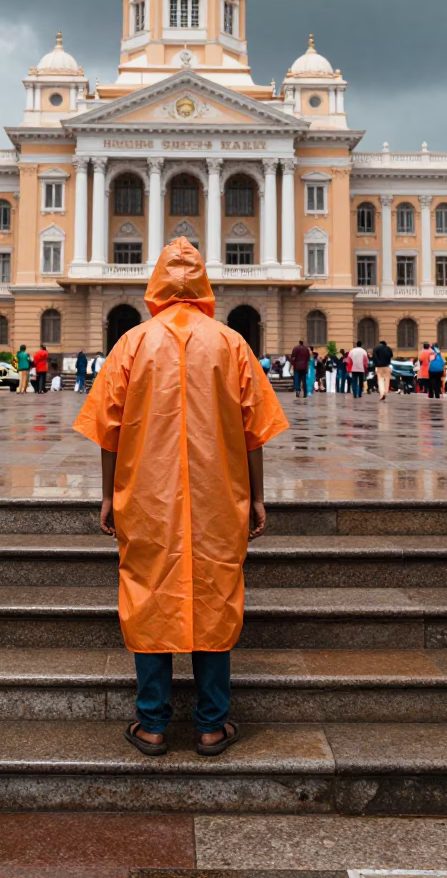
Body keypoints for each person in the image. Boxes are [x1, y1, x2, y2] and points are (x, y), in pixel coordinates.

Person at [74, 238, 288, 758]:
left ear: (157, 282)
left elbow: (109, 432)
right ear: (203, 283)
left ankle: (152, 724)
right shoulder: (232, 342)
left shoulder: (132, 344)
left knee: (148, 596)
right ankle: (212, 725)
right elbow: (253, 433)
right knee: (216, 595)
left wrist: (108, 496)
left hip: (147, 497)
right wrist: (258, 498)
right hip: (220, 495)